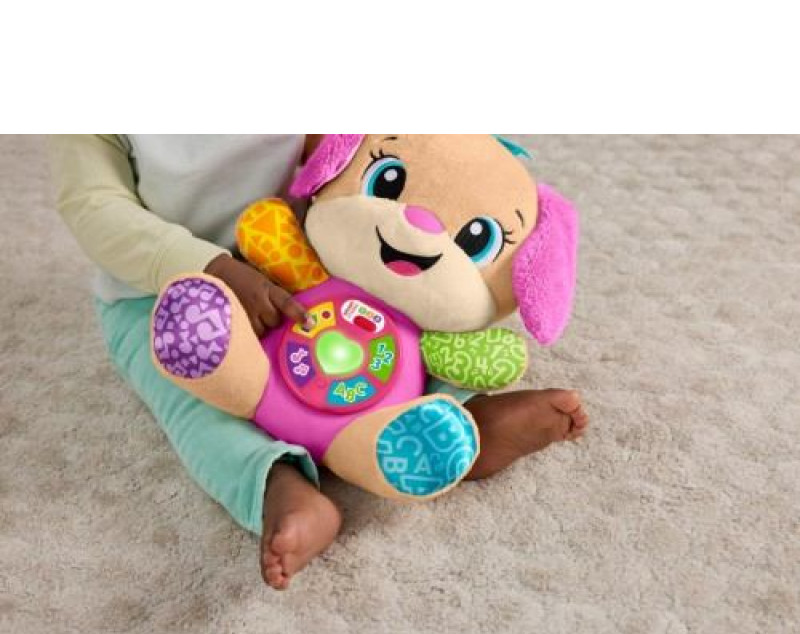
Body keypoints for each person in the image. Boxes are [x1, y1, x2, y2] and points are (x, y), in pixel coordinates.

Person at [49, 134, 589, 590]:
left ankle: (465, 416)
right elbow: (95, 208)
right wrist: (210, 266)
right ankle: (276, 483)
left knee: (399, 331)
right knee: (197, 403)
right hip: (160, 291)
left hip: (300, 252)